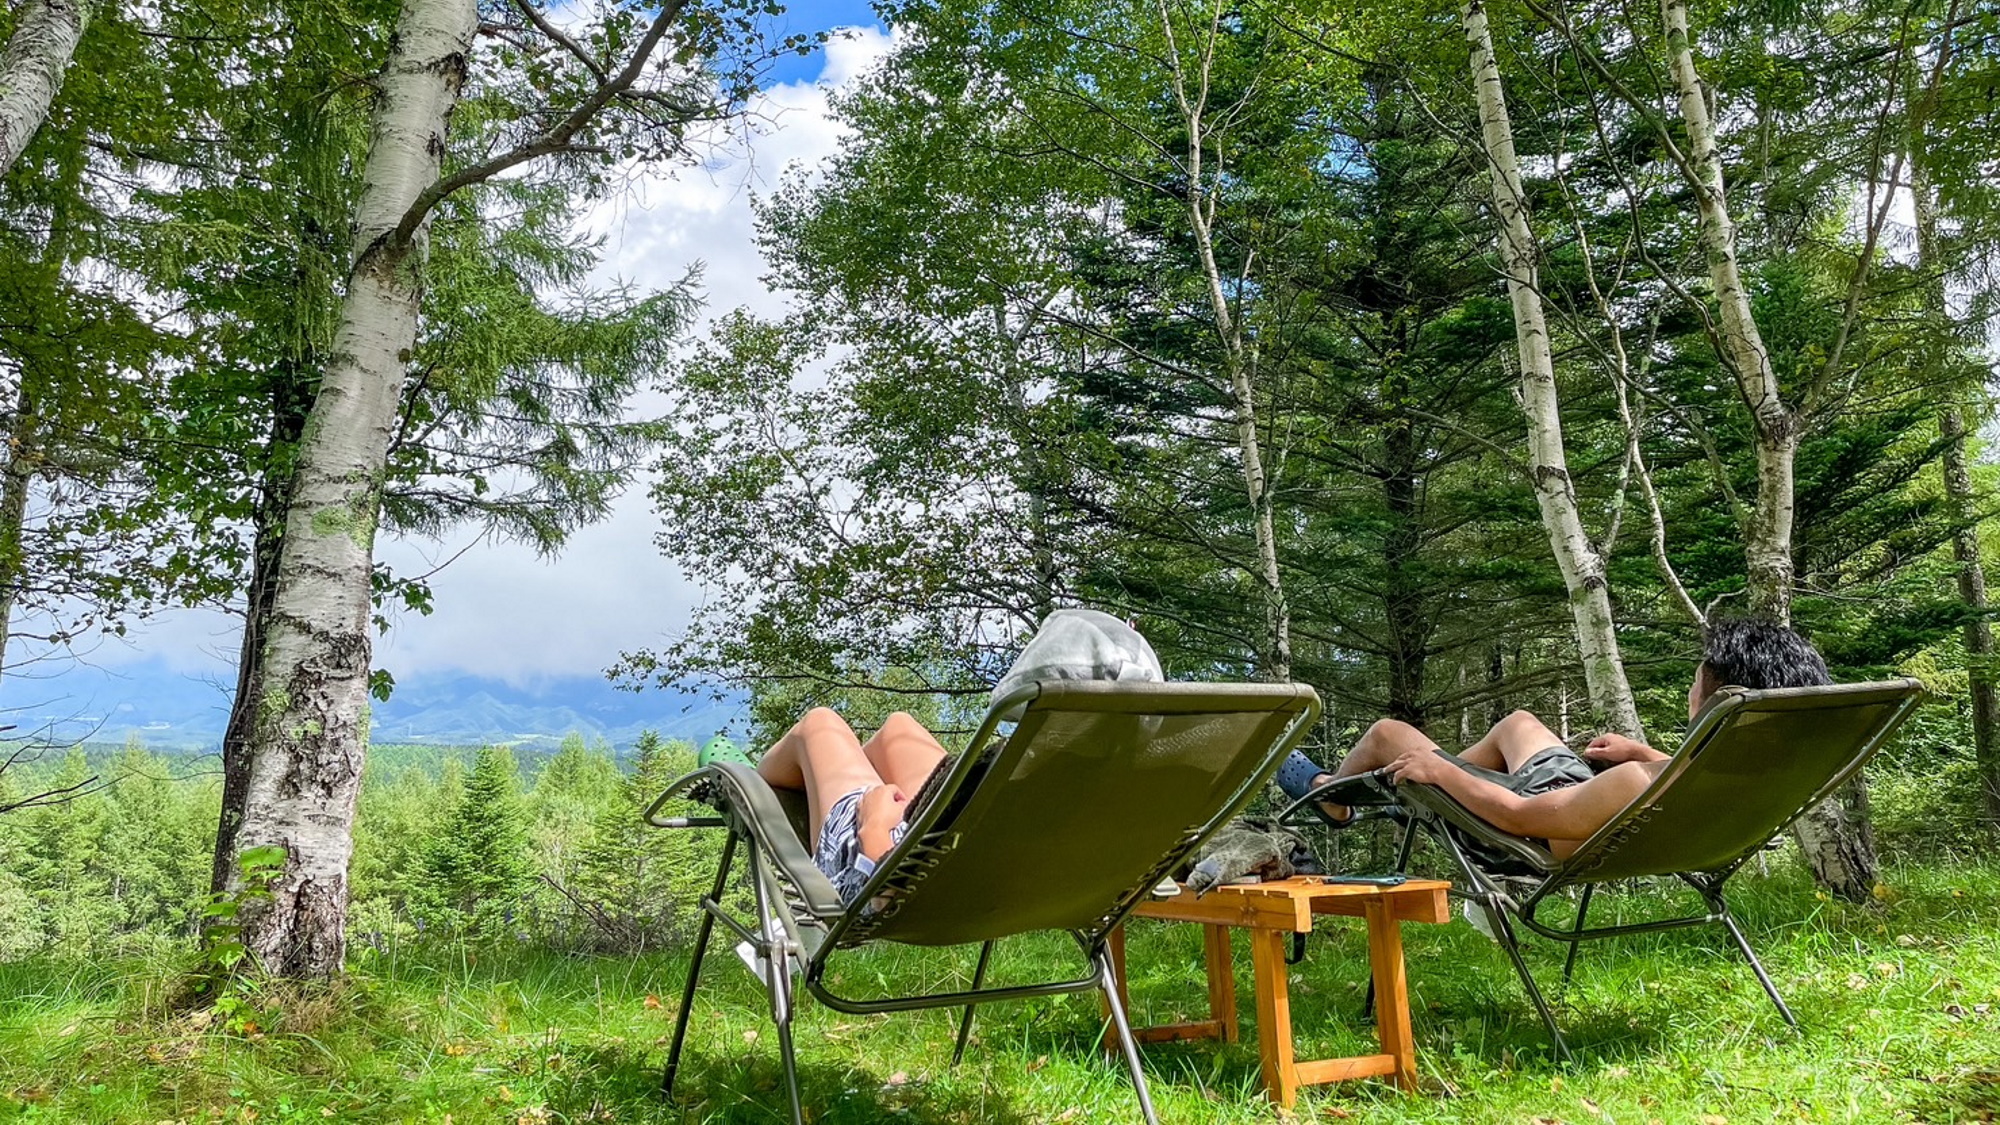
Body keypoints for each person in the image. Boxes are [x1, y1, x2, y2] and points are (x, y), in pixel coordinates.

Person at [1274, 617, 1832, 859]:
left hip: (1528, 827)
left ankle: (1334, 791)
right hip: (1577, 804)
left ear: (1717, 700)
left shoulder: (1632, 784)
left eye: (1697, 675)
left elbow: (1518, 817)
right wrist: (1641, 751)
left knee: (1388, 734)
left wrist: (1441, 776)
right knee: (1517, 724)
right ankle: (1408, 799)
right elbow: (1672, 777)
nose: (1692, 682)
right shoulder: (1745, 772)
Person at [725, 609, 1164, 905]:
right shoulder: (1132, 783)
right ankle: (836, 774)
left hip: (890, 871)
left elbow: (883, 893)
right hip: (969, 860)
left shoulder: (1022, 765)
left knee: (820, 725)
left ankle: (768, 778)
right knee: (897, 727)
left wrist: (874, 822)